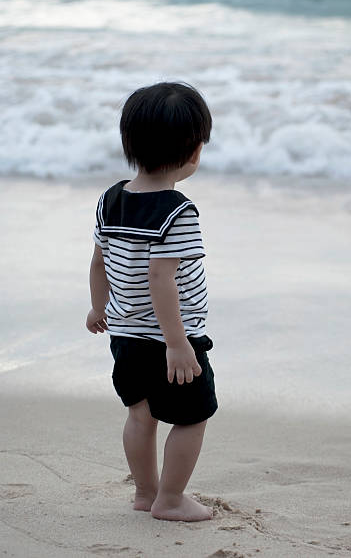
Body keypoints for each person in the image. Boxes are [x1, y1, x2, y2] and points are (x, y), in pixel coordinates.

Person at [86, 82, 218, 522]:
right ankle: (172, 498)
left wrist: (98, 306)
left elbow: (99, 260)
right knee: (193, 417)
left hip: (124, 337)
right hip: (170, 341)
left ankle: (146, 492)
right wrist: (178, 343)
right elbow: (161, 278)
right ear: (194, 152)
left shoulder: (111, 200)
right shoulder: (178, 211)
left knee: (140, 415)